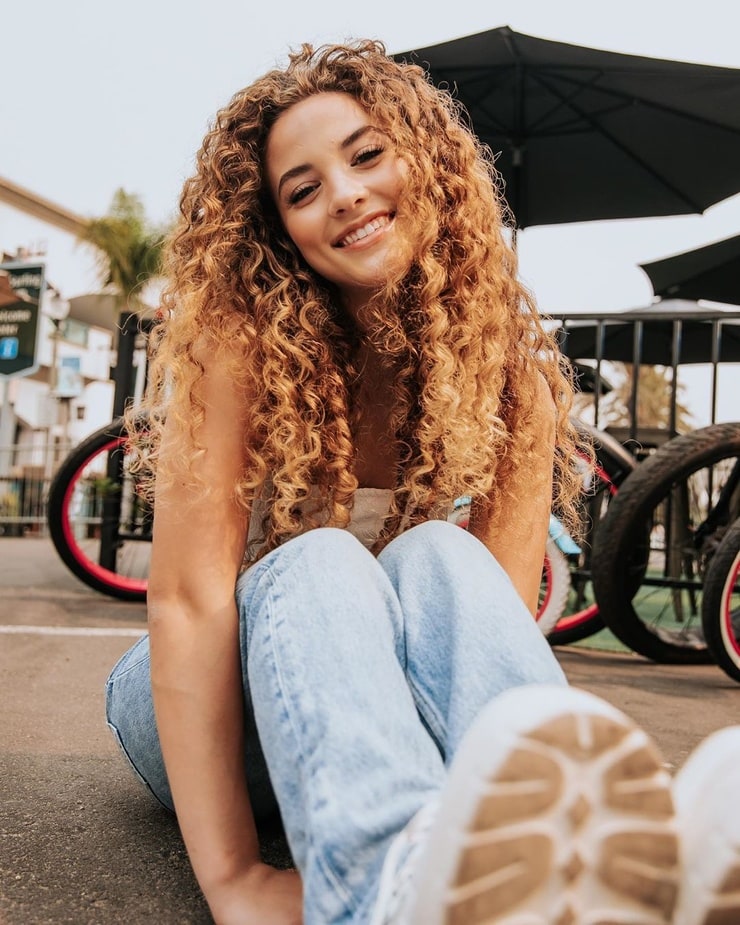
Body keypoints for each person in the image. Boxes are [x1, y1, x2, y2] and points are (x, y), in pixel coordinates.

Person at [105, 40, 740, 925]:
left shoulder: (509, 369)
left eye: (367, 154)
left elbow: (492, 617)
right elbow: (188, 603)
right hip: (210, 701)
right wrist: (235, 876)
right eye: (304, 188)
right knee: (324, 559)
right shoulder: (243, 344)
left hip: (375, 714)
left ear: (429, 162)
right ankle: (391, 889)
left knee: (441, 550)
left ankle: (585, 851)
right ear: (276, 228)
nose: (346, 193)